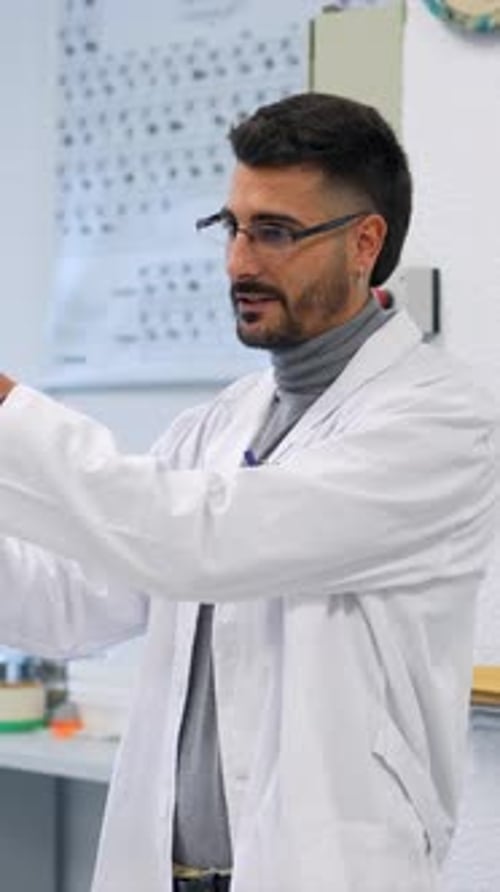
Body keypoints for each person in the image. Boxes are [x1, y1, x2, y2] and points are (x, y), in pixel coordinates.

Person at [0, 92, 496, 892]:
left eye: (275, 232)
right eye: (231, 227)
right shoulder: (218, 424)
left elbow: (204, 542)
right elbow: (74, 601)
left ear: (365, 242)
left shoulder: (436, 427)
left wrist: (6, 411)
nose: (238, 262)